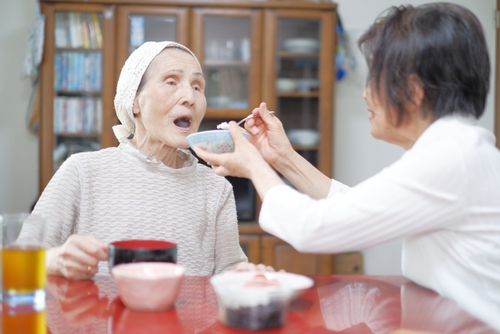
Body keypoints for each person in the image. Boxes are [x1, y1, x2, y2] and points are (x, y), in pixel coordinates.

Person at [193, 3, 500, 331]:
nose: (366, 94)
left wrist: (254, 164)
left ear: (413, 91)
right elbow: (358, 207)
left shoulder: (449, 158)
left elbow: (315, 228)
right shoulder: (458, 149)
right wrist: (281, 158)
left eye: (375, 78)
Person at [27, 41, 248, 280]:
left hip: (185, 319)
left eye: (197, 87)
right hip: (100, 317)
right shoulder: (82, 171)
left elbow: (230, 272)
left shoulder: (216, 187)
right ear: (134, 101)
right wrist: (54, 259)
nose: (189, 97)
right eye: (171, 81)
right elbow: (21, 258)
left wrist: (249, 275)